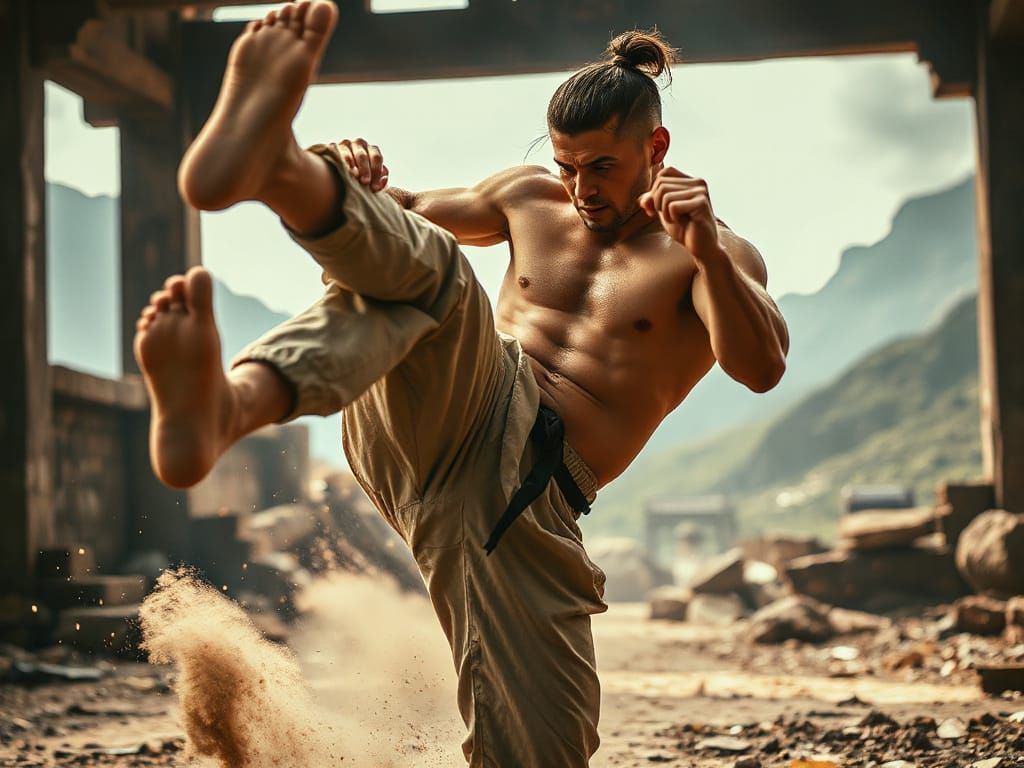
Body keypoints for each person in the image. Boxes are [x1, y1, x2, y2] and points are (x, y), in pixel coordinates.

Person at [133, 1, 789, 764]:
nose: (581, 189)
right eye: (566, 166)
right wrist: (355, 179)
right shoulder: (527, 198)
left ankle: (251, 344)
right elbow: (403, 218)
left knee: (545, 751)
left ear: (657, 146)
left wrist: (706, 248)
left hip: (528, 497)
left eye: (602, 167)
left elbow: (761, 366)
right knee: (432, 274)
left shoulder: (709, 254)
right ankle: (277, 195)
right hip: (449, 408)